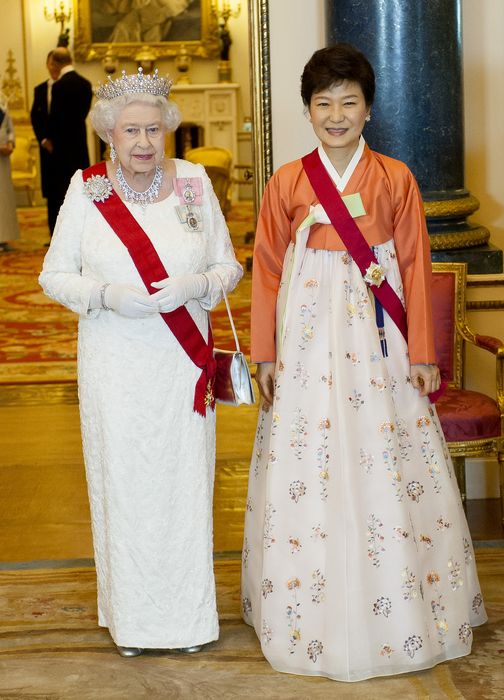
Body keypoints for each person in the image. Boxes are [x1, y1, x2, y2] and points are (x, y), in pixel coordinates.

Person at [241, 44, 487, 682]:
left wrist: (425, 354)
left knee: (385, 456)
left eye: (348, 101)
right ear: (307, 111)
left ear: (369, 109)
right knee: (311, 458)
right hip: (306, 340)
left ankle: (400, 599)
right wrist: (264, 354)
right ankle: (307, 603)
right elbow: (266, 272)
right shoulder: (287, 182)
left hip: (378, 342)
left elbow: (414, 264)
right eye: (323, 103)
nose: (336, 114)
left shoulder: (395, 178)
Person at [39, 67, 242, 657]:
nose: (145, 143)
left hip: (182, 364)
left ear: (168, 130)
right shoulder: (87, 188)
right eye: (131, 131)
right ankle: (132, 622)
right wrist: (105, 296)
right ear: (109, 134)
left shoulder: (195, 185)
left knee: (182, 482)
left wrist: (196, 283)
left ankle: (186, 620)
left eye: (154, 129)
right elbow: (53, 274)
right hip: (115, 362)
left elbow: (229, 265)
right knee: (124, 483)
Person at [47, 47, 92, 235]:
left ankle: (64, 232)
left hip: (62, 148)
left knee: (62, 192)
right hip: (80, 143)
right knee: (81, 188)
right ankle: (83, 228)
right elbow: (83, 113)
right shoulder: (85, 84)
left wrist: (51, 140)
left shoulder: (58, 87)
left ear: (55, 63)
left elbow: (55, 119)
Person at [30, 50, 61, 236]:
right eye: (51, 63)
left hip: (66, 149)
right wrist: (43, 140)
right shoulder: (40, 89)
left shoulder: (69, 87)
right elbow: (35, 117)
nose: (54, 67)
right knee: (52, 194)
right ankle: (53, 234)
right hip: (47, 150)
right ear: (47, 65)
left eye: (57, 64)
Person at [0, 95, 20, 252]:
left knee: (4, 198)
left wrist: (11, 143)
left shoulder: (3, 100)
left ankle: (3, 236)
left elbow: (9, 128)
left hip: (3, 159)